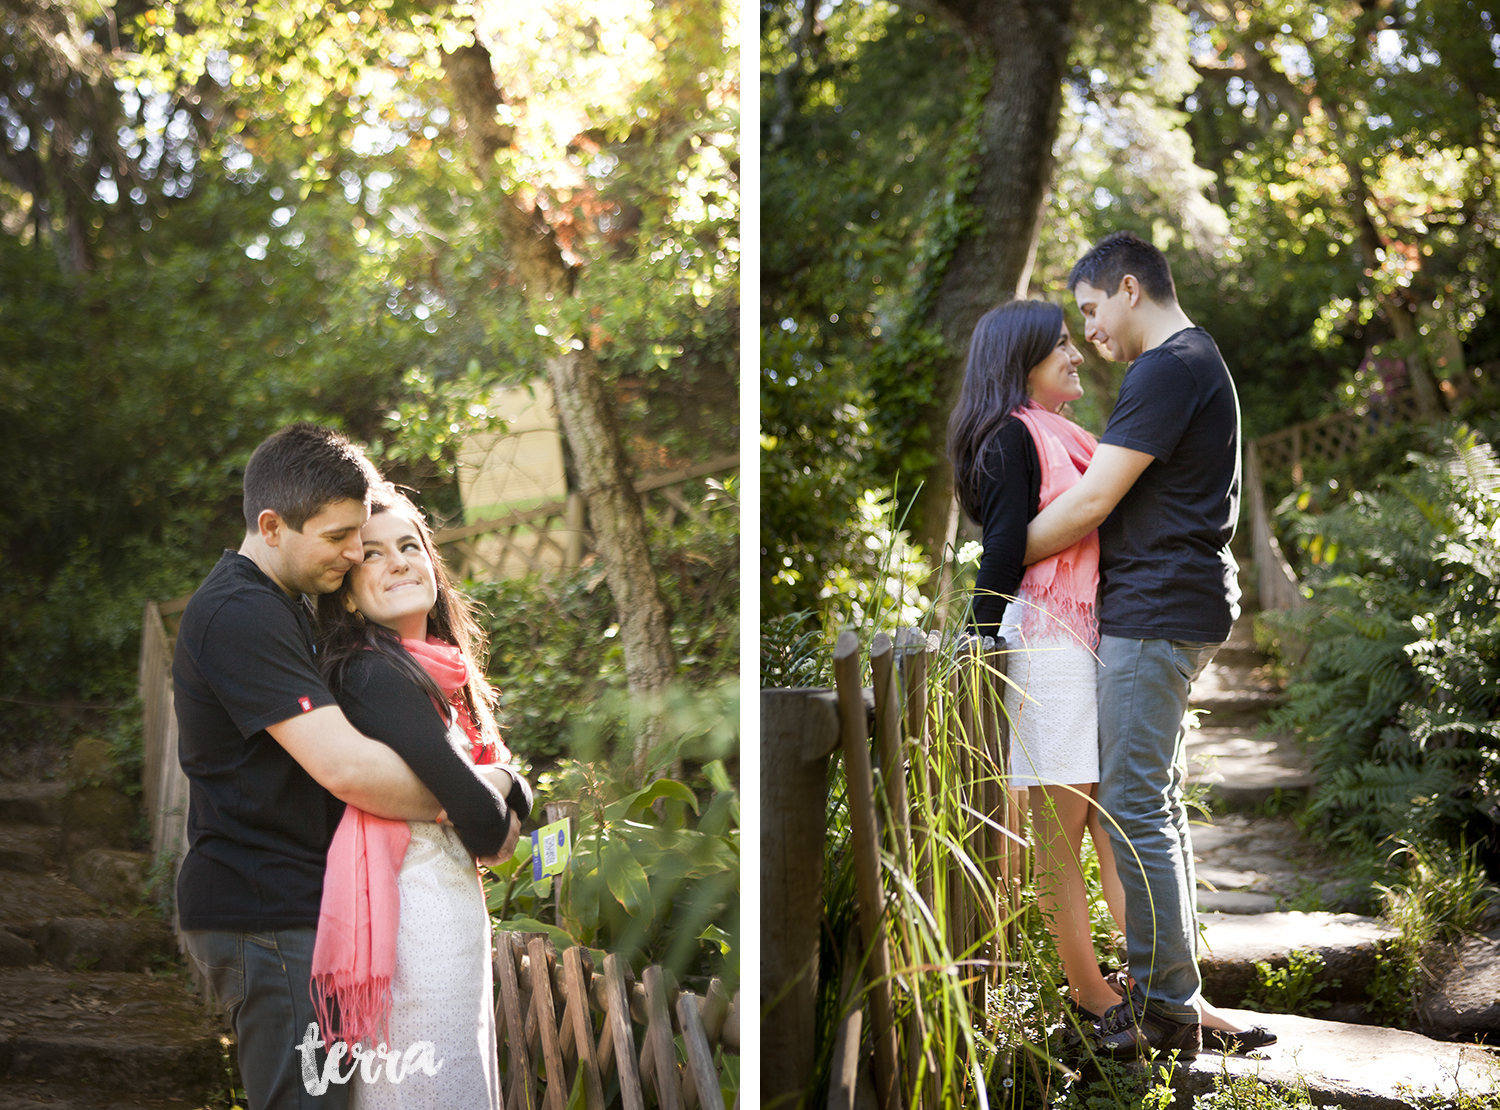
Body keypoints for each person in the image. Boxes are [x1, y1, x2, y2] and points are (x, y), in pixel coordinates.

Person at [173, 424, 517, 1109]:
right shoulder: (241, 613)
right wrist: (475, 798)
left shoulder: (279, 606)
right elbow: (349, 769)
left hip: (288, 901)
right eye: (339, 538)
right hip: (264, 907)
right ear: (271, 525)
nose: (355, 553)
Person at [1023, 230, 1269, 1058]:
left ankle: (1163, 1007)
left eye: (1090, 310)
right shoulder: (1195, 364)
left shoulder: (1168, 367)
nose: (1088, 332)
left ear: (1130, 288)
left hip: (1156, 609)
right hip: (1177, 605)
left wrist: (999, 558)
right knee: (1152, 803)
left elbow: (1093, 501)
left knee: (1130, 806)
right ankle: (1182, 998)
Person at [312, 486, 532, 1108]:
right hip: (415, 925)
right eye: (373, 555)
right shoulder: (372, 674)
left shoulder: (436, 674)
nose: (399, 561)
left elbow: (494, 797)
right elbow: (490, 830)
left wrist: (504, 785)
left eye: (410, 546)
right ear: (349, 594)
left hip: (446, 914)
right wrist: (507, 784)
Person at [947, 298, 1128, 1023]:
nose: (1077, 353)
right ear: (1017, 361)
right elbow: (1002, 551)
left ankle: (1157, 982)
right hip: (1047, 648)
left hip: (1081, 644)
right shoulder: (1008, 439)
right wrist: (976, 636)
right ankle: (1092, 995)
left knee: (1108, 824)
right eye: (1059, 345)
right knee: (1063, 835)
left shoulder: (1061, 434)